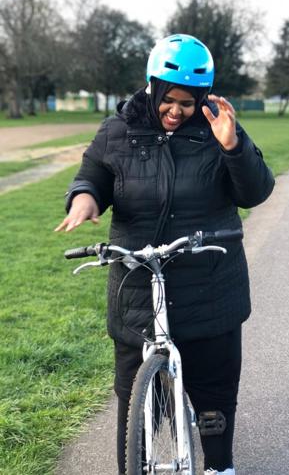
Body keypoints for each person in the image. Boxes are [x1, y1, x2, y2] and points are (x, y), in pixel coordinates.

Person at [55, 34, 275, 475]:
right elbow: (94, 172)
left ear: (202, 98)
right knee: (132, 399)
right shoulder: (119, 128)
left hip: (210, 283)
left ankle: (219, 466)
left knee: (213, 393)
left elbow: (255, 191)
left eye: (187, 103)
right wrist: (84, 197)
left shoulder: (219, 126)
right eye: (169, 100)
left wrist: (233, 146)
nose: (177, 111)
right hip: (137, 286)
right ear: (153, 88)